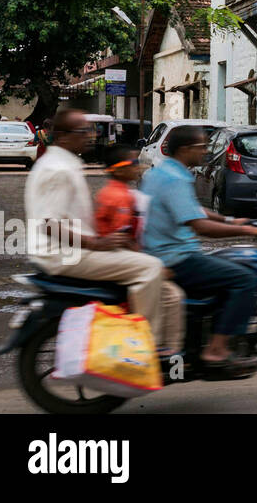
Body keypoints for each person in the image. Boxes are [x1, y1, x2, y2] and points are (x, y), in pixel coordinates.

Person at [24, 109, 172, 347]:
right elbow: (49, 223)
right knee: (150, 267)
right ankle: (143, 347)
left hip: (69, 250)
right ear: (62, 136)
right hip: (66, 255)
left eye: (91, 130)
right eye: (83, 131)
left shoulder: (60, 163)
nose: (91, 136)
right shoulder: (58, 169)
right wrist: (96, 243)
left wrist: (108, 239)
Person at [142, 125, 257, 370]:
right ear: (185, 150)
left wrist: (231, 220)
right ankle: (217, 350)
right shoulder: (176, 179)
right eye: (202, 147)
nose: (205, 151)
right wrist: (250, 231)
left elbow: (192, 209)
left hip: (160, 251)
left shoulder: (161, 172)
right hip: (175, 257)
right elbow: (200, 226)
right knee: (244, 279)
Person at [94, 144, 185, 356]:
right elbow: (124, 238)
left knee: (174, 295)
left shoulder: (121, 192)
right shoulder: (118, 197)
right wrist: (153, 264)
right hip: (120, 258)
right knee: (173, 296)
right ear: (117, 169)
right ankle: (154, 348)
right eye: (132, 163)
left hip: (121, 255)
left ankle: (168, 350)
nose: (138, 167)